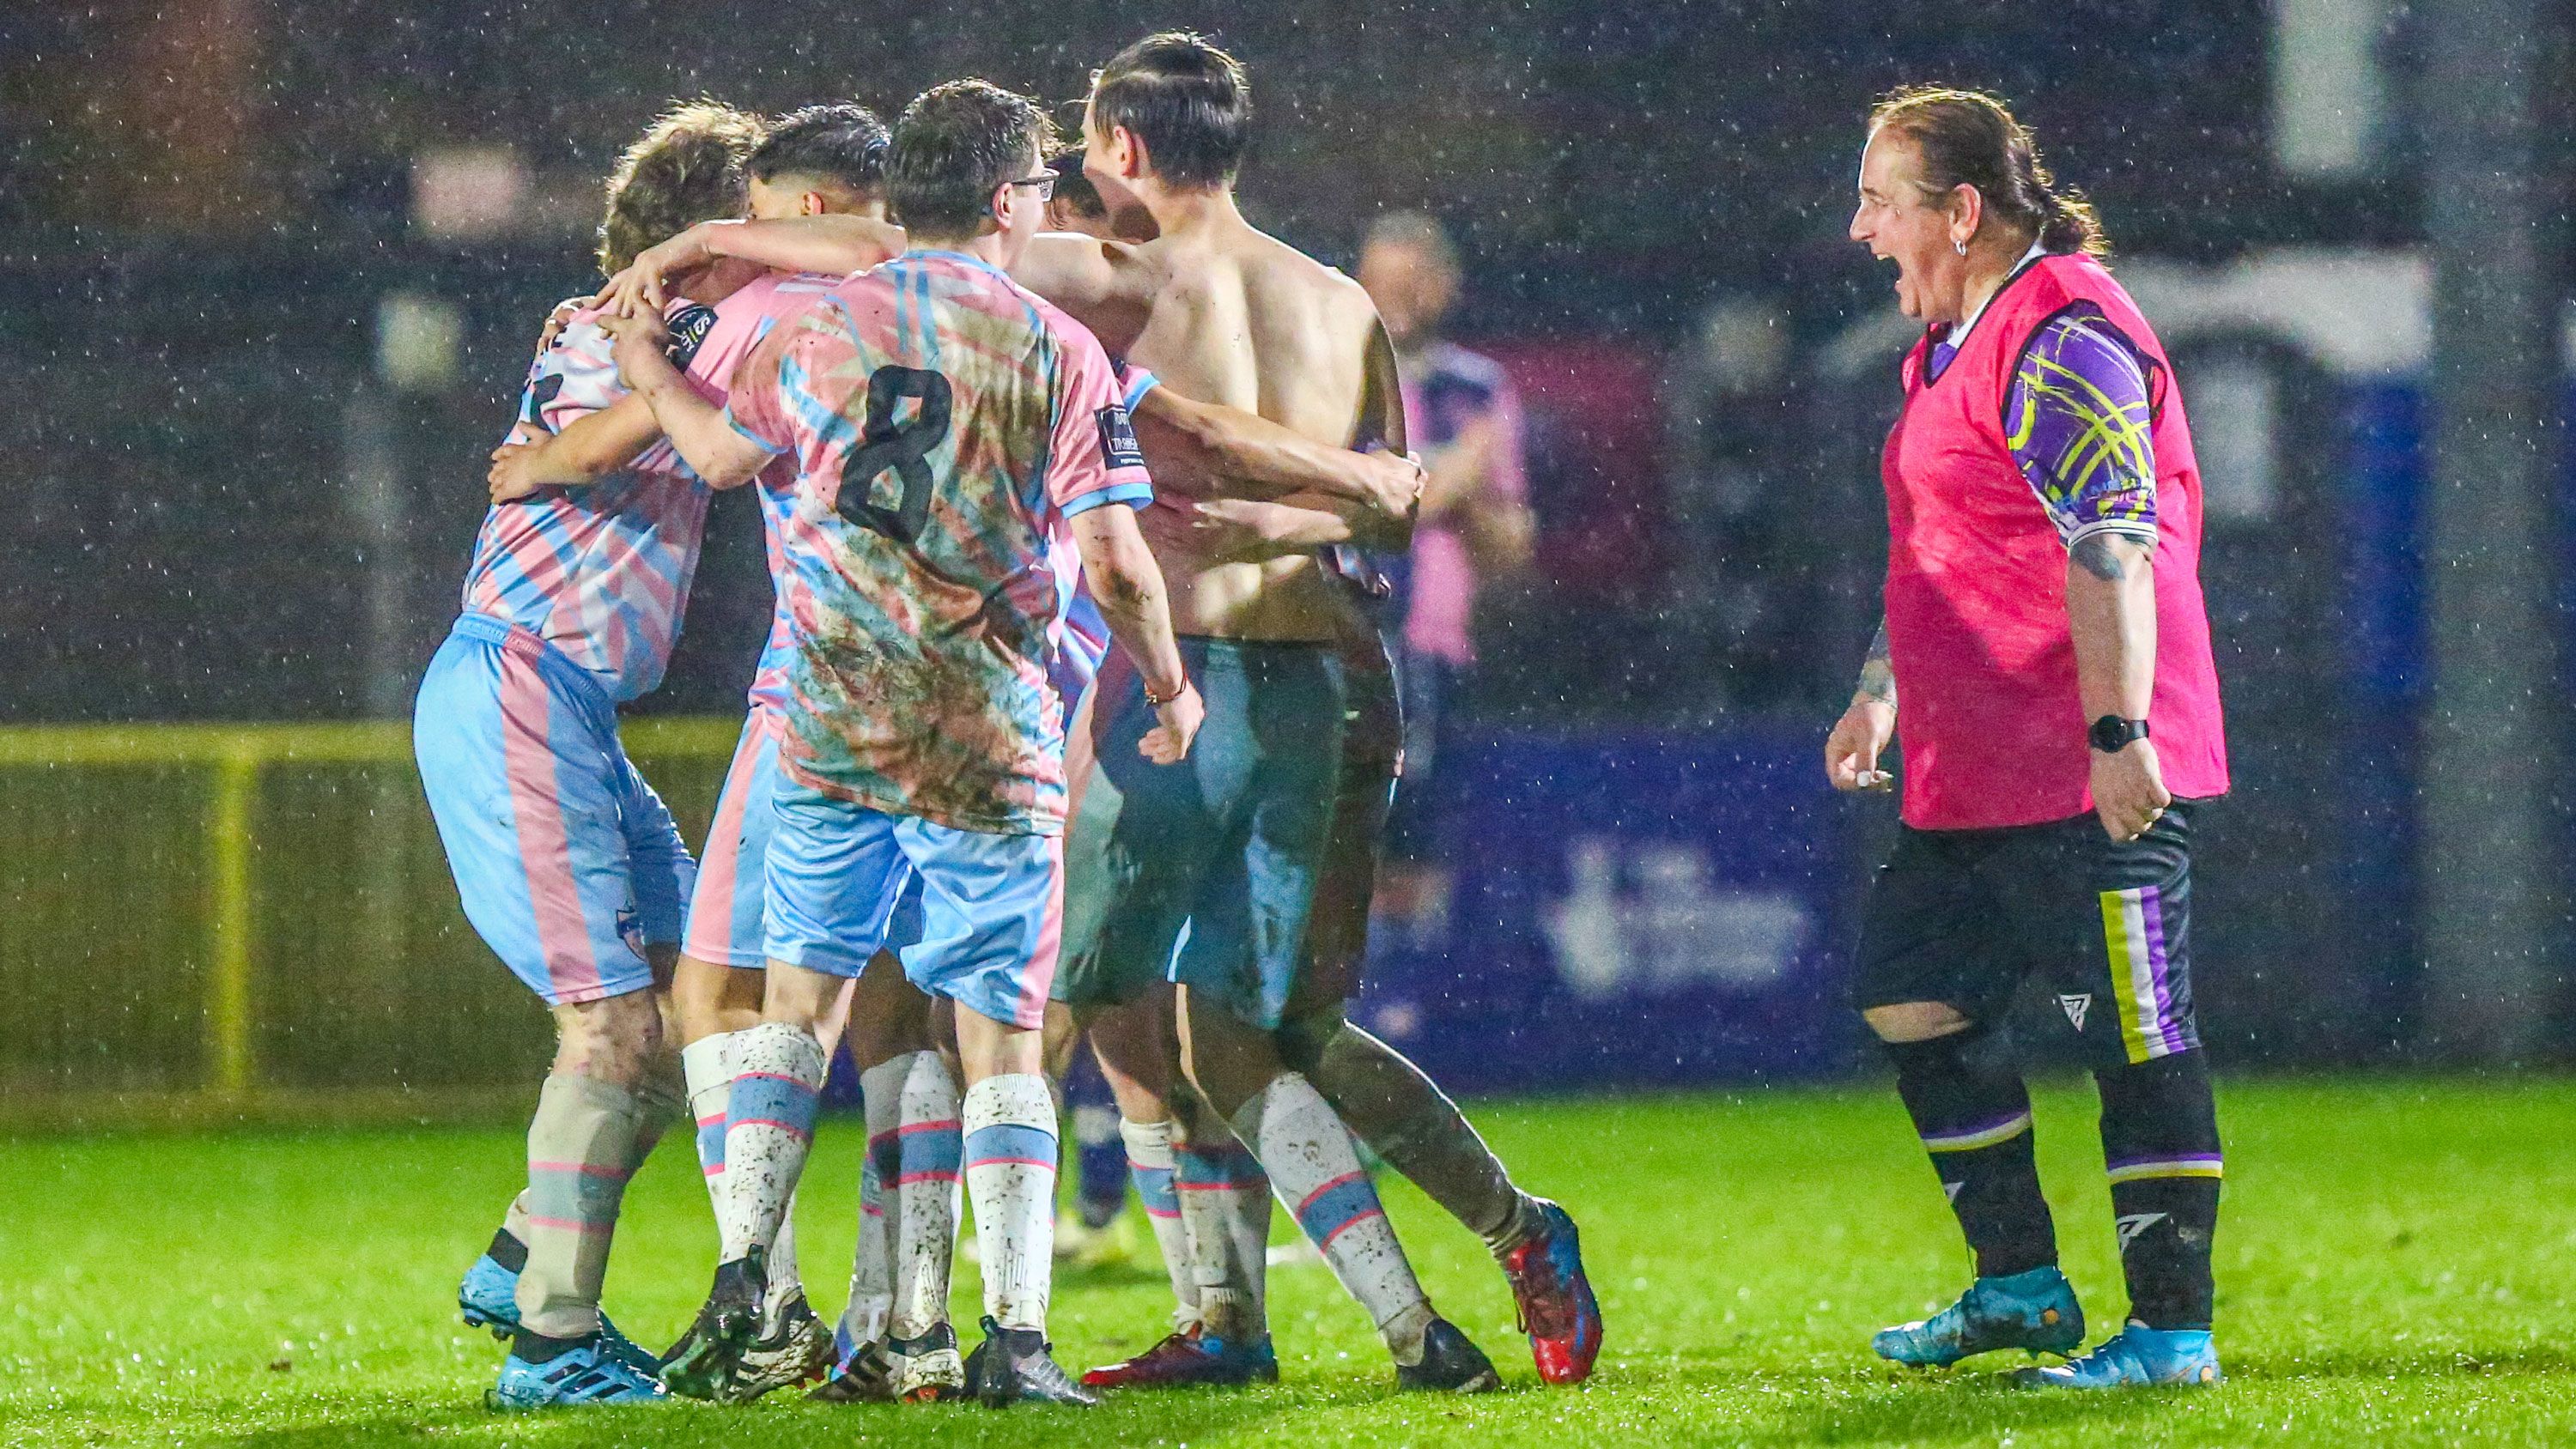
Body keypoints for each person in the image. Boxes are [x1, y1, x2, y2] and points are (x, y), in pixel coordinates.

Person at [607, 78, 1201, 1409]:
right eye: (1036, 188)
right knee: (996, 1034)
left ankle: (747, 1287)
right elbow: (1115, 557)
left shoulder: (810, 331)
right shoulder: (1056, 346)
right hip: (986, 724)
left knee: (794, 1010)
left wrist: (647, 360)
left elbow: (712, 455)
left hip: (828, 718)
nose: (1049, 204)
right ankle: (1015, 1340)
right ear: (1002, 202)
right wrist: (1167, 688)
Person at [483, 101, 929, 1404]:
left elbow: (701, 442)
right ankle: (905, 1327)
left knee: (701, 1002)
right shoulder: (958, 295)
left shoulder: (758, 309)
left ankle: (760, 1304)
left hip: (801, 684)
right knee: (888, 1010)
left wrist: (684, 262)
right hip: (976, 683)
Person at [1828, 85, 2230, 1389]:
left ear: (1961, 210)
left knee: (2134, 1033)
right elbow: (1953, 550)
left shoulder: (2059, 332)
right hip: (1976, 768)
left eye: (1883, 203)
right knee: (1911, 990)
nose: (1861, 229)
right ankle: (2020, 1286)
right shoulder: (1952, 342)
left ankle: (2171, 1335)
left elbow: (2116, 536)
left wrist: (2119, 729)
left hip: (2081, 762)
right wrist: (1886, 684)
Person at [414, 98, 767, 1410]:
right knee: (610, 1020)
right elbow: (597, 440)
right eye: (763, 217)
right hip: (517, 683)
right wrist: (600, 430)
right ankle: (554, 1349)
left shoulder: (686, 329)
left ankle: (524, 1259)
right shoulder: (616, 326)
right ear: (709, 234)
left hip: (570, 707)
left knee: (687, 1010)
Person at [1352, 211, 1534, 940]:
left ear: (1447, 288)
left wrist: (1440, 499)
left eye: (1414, 283)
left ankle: (1408, 1008)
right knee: (1355, 823)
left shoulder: (1480, 387)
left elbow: (1513, 544)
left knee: (1422, 830)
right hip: (1355, 631)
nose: (1397, 299)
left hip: (1437, 641)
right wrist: (1456, 477)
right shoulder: (1337, 373)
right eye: (1382, 282)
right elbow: (1363, 508)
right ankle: (1353, 1005)